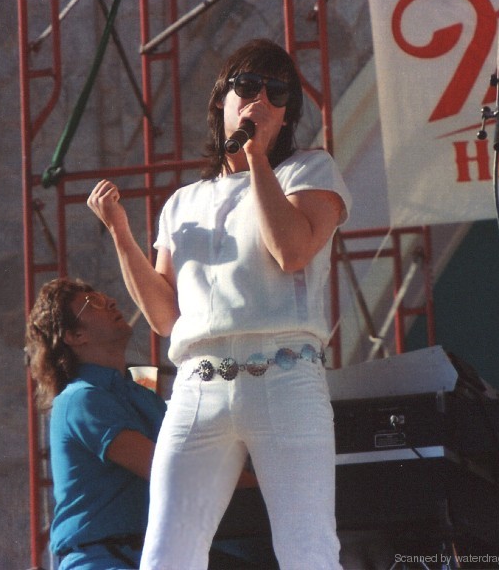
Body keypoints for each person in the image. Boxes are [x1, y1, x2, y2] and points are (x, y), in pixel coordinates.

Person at [87, 38, 351, 569]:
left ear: (286, 116)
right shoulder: (183, 202)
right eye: (248, 86)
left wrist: (255, 157)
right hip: (198, 387)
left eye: (277, 94)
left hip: (284, 375)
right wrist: (120, 234)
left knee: (308, 550)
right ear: (221, 101)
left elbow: (291, 250)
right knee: (166, 553)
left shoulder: (309, 171)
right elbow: (165, 318)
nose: (260, 100)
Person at [25, 277, 166, 569]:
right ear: (74, 336)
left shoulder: (140, 395)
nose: (111, 302)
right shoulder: (80, 399)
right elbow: (168, 469)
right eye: (94, 304)